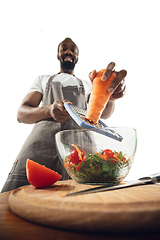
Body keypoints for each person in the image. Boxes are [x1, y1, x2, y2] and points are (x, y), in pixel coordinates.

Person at [1, 37, 127, 192]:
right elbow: (21, 114)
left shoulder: (88, 84)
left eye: (73, 50)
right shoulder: (43, 79)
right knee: (19, 195)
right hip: (41, 147)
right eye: (64, 48)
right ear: (58, 55)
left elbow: (105, 114)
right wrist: (48, 110)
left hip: (81, 150)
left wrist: (110, 96)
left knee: (81, 201)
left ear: (77, 57)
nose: (68, 51)